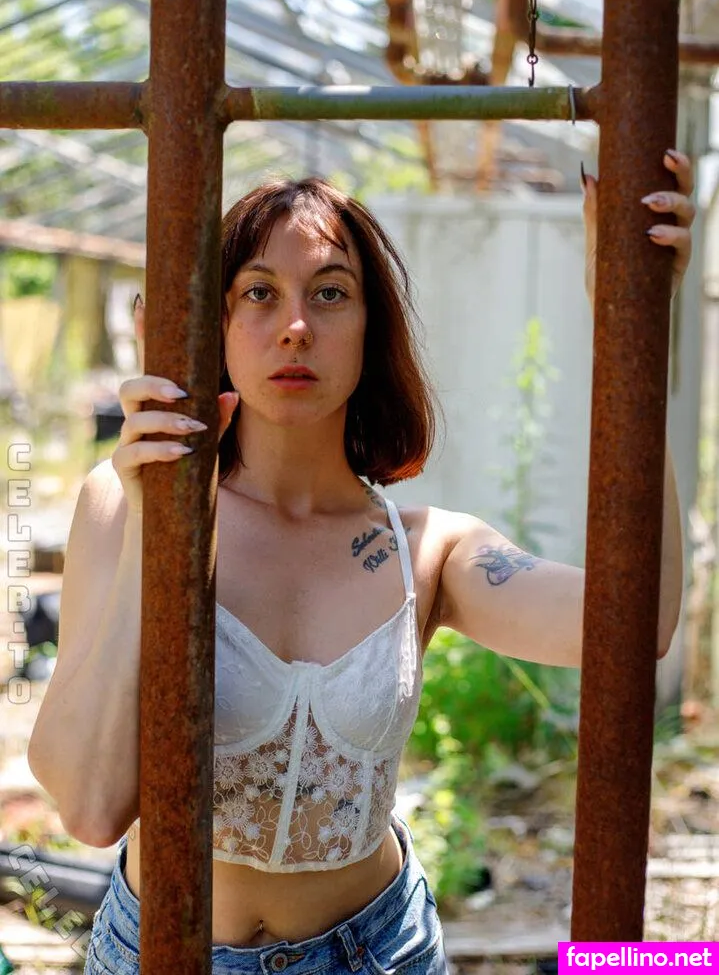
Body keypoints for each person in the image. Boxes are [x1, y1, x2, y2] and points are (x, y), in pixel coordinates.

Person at [28, 151, 695, 975]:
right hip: (162, 951)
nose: (295, 326)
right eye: (259, 292)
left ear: (370, 329)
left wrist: (629, 323)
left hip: (381, 952)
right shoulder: (123, 501)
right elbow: (91, 808)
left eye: (330, 292)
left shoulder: (427, 551)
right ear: (212, 321)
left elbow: (635, 624)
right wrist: (159, 518)